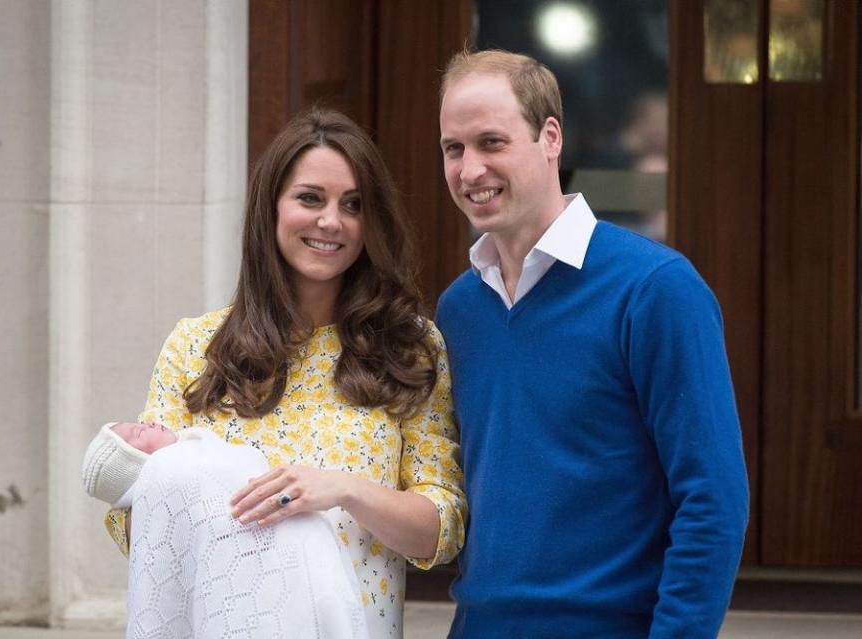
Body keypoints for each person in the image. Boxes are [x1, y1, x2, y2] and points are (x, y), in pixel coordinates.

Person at [101, 108, 466, 639]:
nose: (330, 221)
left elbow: (442, 531)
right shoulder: (195, 346)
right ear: (271, 208)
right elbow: (141, 525)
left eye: (353, 205)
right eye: (310, 198)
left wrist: (343, 490)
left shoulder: (409, 348)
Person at [435, 49, 749, 638]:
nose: (470, 169)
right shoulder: (459, 309)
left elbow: (713, 501)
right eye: (454, 148)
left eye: (492, 142)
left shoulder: (656, 290)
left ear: (550, 136)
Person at [81, 421, 370, 638]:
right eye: (136, 435)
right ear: (136, 466)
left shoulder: (203, 448)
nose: (147, 423)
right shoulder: (172, 468)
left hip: (319, 561)